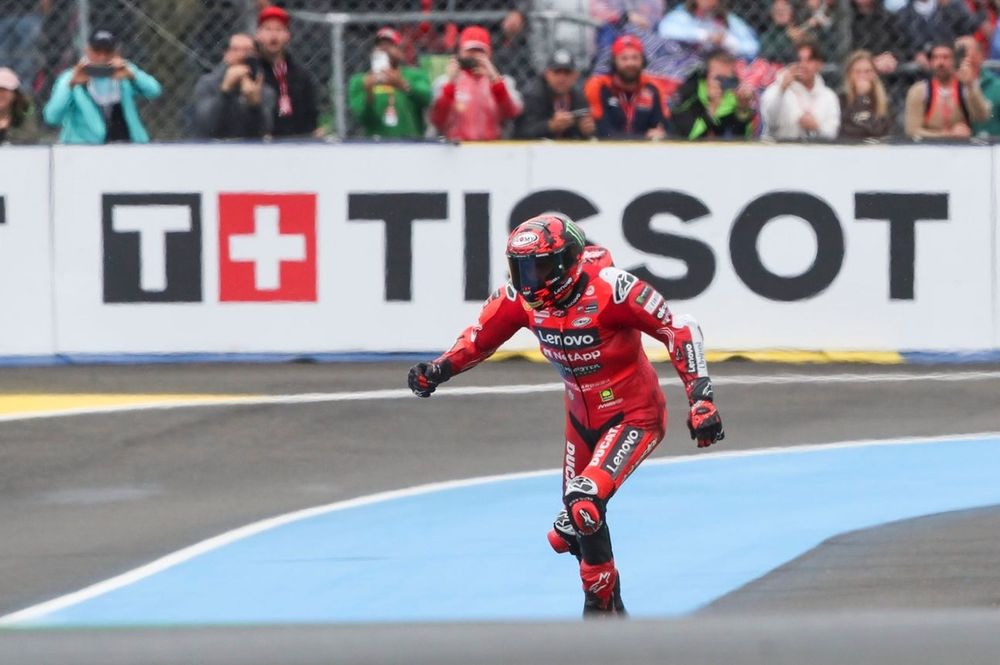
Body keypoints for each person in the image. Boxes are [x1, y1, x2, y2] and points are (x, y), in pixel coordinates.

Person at [407, 214, 724, 616]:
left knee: (584, 502)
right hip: (579, 422)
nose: (529, 279)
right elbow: (479, 338)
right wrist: (438, 369)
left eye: (538, 266)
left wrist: (701, 399)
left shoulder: (613, 288)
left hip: (634, 415)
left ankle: (597, 606)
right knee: (569, 533)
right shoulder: (518, 299)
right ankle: (615, 617)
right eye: (520, 267)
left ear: (567, 261)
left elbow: (680, 328)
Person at [42, 29, 161, 144]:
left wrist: (133, 75)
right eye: (97, 50)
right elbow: (52, 117)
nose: (102, 57)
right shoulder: (70, 77)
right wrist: (71, 85)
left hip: (126, 144)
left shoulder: (124, 72)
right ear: (87, 50)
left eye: (107, 51)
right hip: (83, 148)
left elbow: (154, 91)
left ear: (116, 52)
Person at [430, 25, 523, 141]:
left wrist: (495, 81)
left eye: (480, 51)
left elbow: (512, 113)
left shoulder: (503, 83)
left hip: (493, 148)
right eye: (470, 51)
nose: (474, 55)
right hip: (456, 149)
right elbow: (437, 120)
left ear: (489, 54)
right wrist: (451, 84)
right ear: (461, 52)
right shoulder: (444, 81)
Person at [348, 26, 431, 139]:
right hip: (376, 143)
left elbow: (427, 99)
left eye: (390, 45)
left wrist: (402, 85)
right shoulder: (360, 80)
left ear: (401, 51)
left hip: (410, 142)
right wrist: (369, 93)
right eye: (380, 45)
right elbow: (363, 117)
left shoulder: (415, 75)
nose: (384, 48)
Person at [191, 33, 275, 140]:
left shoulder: (263, 89)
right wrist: (225, 91)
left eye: (248, 50)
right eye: (235, 49)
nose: (241, 55)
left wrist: (254, 105)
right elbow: (206, 126)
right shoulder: (207, 83)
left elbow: (263, 132)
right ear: (226, 54)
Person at [583, 35, 668, 138]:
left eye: (635, 57)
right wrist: (644, 138)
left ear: (643, 61)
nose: (630, 63)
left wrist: (661, 134)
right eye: (624, 58)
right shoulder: (600, 87)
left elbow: (664, 127)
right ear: (614, 62)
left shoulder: (652, 89)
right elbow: (603, 131)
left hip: (645, 151)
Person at [256, 5, 321, 138]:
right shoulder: (253, 71)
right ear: (258, 34)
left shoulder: (301, 75)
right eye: (268, 29)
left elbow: (311, 115)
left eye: (279, 29)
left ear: (288, 35)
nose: (273, 35)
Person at [904, 41, 990, 137]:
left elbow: (983, 116)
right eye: (935, 58)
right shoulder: (919, 91)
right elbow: (912, 130)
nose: (940, 62)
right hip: (928, 147)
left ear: (955, 61)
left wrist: (971, 86)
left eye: (946, 57)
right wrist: (948, 135)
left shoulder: (964, 88)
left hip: (962, 147)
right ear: (930, 62)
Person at [760, 39, 840, 139]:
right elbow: (770, 121)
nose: (803, 65)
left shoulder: (829, 96)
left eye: (809, 60)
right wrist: (782, 90)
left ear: (819, 64)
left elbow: (832, 134)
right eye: (799, 60)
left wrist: (816, 127)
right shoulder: (776, 89)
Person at [670, 49, 755, 139]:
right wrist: (712, 108)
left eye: (727, 78)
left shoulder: (733, 97)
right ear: (705, 75)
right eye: (718, 78)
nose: (721, 83)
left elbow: (744, 138)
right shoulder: (689, 94)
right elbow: (685, 137)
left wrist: (743, 108)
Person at [514, 48, 595, 139]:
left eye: (567, 72)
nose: (562, 78)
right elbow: (521, 132)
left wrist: (585, 130)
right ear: (546, 74)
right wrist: (550, 126)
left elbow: (585, 132)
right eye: (557, 72)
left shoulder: (579, 96)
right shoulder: (533, 95)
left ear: (575, 76)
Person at [658, 0, 760, 62]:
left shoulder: (729, 20)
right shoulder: (683, 14)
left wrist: (728, 41)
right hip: (686, 64)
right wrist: (705, 36)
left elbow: (752, 47)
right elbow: (665, 30)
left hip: (719, 67)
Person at [839, 50, 894, 139]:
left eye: (868, 71)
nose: (862, 76)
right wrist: (860, 99)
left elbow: (882, 131)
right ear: (849, 75)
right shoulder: (841, 99)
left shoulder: (885, 102)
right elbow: (846, 130)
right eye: (857, 72)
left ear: (875, 74)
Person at [955, 35, 1000, 135]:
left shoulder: (997, 87)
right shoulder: (948, 87)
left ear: (981, 55)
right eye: (958, 52)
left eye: (965, 50)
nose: (962, 56)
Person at [0, 0, 49, 88]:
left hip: (29, 13)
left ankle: (23, 96)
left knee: (26, 64)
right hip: (2, 15)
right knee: (2, 63)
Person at [0, 67, 40, 145]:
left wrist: (6, 131)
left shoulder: (25, 108)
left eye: (5, 90)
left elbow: (30, 135)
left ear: (15, 93)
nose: (0, 94)